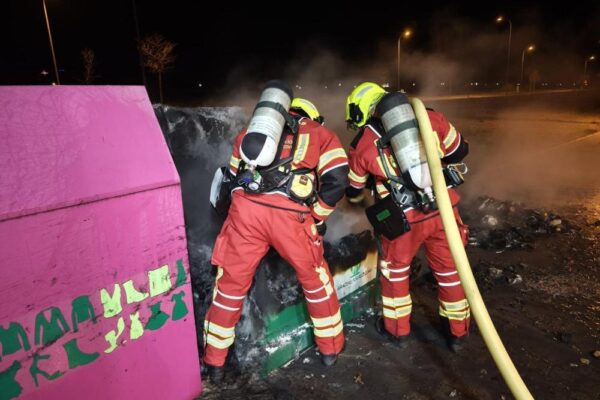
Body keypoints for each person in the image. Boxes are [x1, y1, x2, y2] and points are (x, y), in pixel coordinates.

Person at [203, 81, 348, 383]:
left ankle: (215, 363)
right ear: (310, 116)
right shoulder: (319, 133)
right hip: (290, 219)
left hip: (245, 215)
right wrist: (317, 216)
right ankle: (330, 350)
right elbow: (337, 179)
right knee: (315, 281)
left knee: (229, 288)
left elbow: (231, 180)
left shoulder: (249, 134)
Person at [344, 82, 470, 352]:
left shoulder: (363, 141)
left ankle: (397, 332)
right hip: (443, 210)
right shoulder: (430, 118)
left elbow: (353, 188)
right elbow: (459, 151)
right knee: (450, 271)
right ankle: (457, 334)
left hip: (401, 220)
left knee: (395, 275)